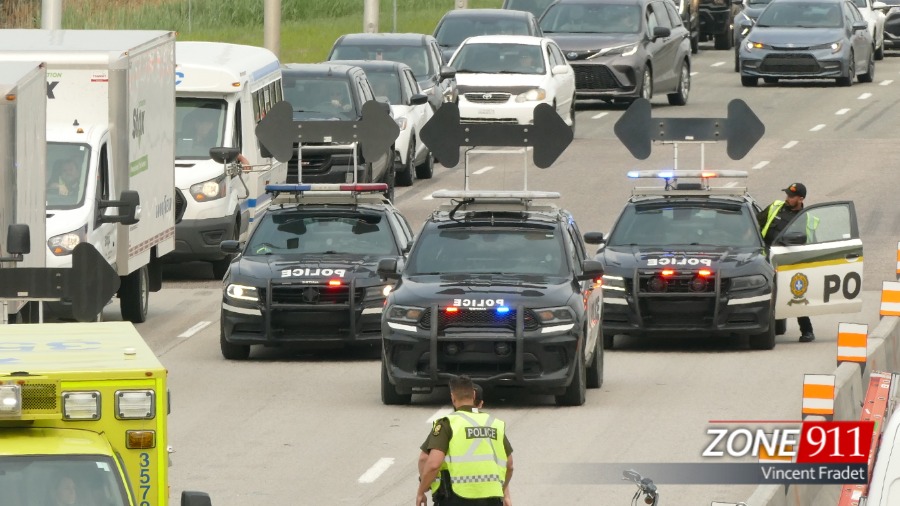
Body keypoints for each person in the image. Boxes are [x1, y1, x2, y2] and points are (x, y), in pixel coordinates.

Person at [417, 376, 513, 506]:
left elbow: (431, 462)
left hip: (454, 498)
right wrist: (504, 492)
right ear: (473, 395)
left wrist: (421, 491)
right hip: (492, 498)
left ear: (452, 397)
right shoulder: (495, 424)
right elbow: (509, 466)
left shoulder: (447, 424)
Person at [757, 182, 819, 343]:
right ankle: (771, 327)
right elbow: (757, 224)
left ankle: (807, 330)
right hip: (766, 257)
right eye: (787, 195)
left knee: (796, 294)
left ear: (801, 199)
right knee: (767, 293)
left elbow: (812, 244)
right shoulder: (775, 207)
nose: (787, 198)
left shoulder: (807, 219)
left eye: (791, 196)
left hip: (791, 261)